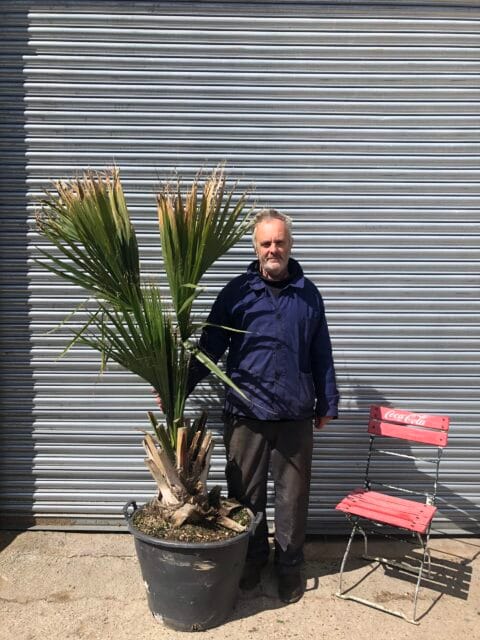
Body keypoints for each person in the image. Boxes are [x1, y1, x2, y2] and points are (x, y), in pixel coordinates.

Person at [188, 209, 339, 603]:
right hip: (246, 413)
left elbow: (321, 352)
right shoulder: (236, 292)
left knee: (293, 498)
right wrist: (180, 384)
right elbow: (210, 348)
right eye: (266, 243)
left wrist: (327, 402)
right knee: (245, 495)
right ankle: (252, 560)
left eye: (280, 242)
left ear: (290, 245)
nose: (273, 249)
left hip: (295, 412)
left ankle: (289, 567)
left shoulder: (308, 294)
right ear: (256, 248)